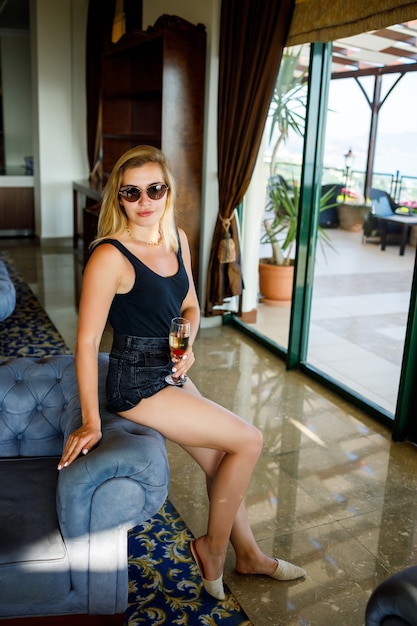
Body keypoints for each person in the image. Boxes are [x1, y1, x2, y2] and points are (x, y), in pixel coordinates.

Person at [58, 145, 306, 600]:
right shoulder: (109, 256)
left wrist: (186, 344)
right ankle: (211, 549)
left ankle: (247, 554)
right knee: (248, 439)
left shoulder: (177, 239)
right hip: (136, 382)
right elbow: (88, 342)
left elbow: (189, 306)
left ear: (168, 191)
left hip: (168, 371)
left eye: (155, 188)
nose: (145, 200)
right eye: (132, 192)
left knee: (221, 463)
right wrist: (92, 421)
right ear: (118, 198)